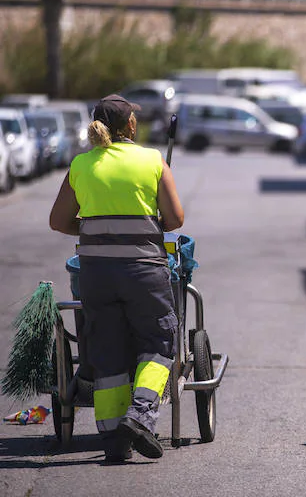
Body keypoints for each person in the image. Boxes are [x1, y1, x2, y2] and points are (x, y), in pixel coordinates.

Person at [49, 94, 185, 462]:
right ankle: (140, 417)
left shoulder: (80, 164)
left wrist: (97, 229)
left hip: (95, 275)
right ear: (131, 126)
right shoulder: (152, 160)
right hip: (144, 272)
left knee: (107, 354)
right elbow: (174, 220)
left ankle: (113, 440)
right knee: (159, 341)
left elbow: (59, 221)